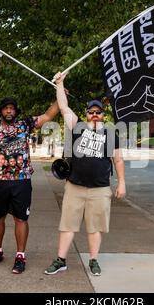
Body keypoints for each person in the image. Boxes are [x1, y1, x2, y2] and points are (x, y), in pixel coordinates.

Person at [44, 72, 126, 276]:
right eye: (91, 111)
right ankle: (61, 260)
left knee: (94, 228)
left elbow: (118, 159)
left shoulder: (110, 133)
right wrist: (60, 84)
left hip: (100, 189)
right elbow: (63, 107)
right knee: (67, 225)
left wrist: (122, 182)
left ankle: (93, 260)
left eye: (98, 111)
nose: (95, 114)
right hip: (75, 187)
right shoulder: (77, 126)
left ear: (103, 115)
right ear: (87, 114)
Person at [0, 97, 59, 274]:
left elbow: (47, 115)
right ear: (1, 111)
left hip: (21, 181)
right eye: (6, 108)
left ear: (16, 111)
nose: (9, 111)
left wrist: (60, 96)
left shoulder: (25, 125)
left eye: (12, 108)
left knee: (21, 218)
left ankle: (20, 256)